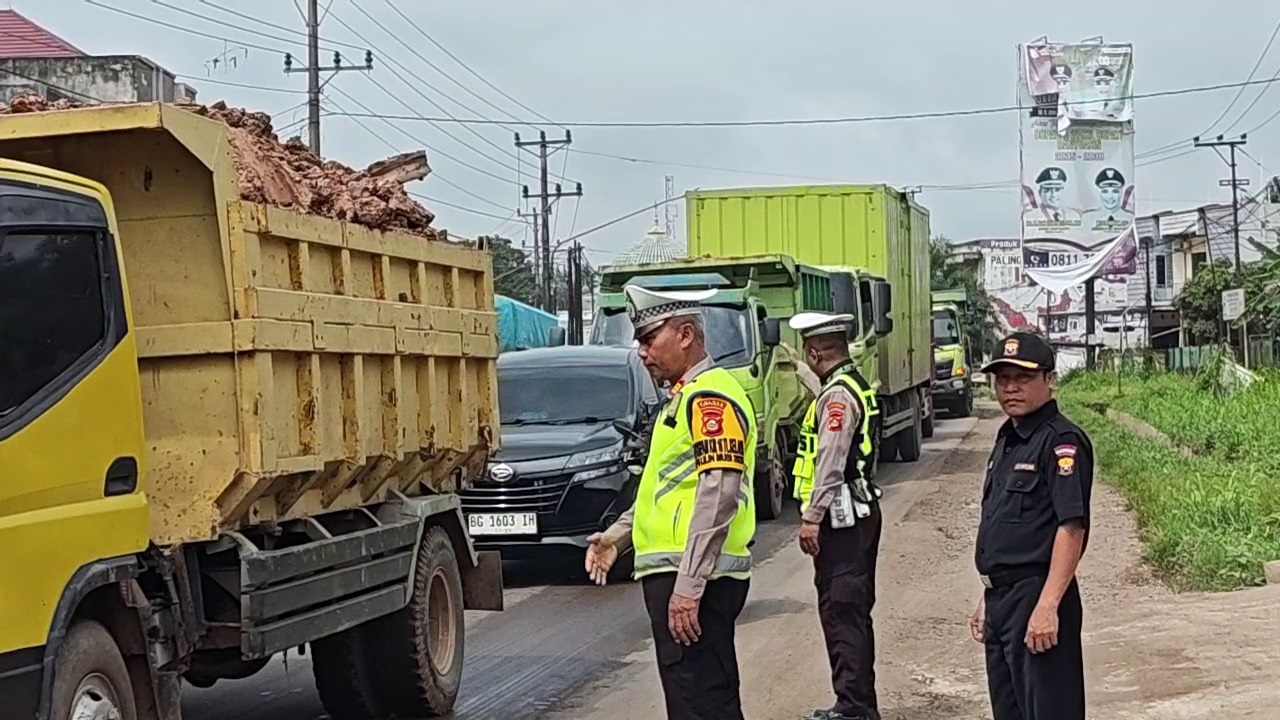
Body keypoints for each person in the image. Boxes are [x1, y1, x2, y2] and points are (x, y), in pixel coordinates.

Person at [584, 285, 758, 720]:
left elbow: (718, 495)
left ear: (684, 334)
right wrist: (616, 539)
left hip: (697, 574)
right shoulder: (681, 400)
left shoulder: (710, 398)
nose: (641, 352)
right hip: (684, 570)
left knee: (701, 702)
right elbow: (662, 490)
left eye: (648, 339)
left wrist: (689, 586)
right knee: (692, 698)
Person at [969, 332, 1094, 720]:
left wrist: (1047, 605)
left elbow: (1071, 527)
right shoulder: (1009, 439)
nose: (1010, 388)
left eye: (1022, 378)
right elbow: (1005, 526)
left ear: (1049, 380)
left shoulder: (1060, 442)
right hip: (1002, 602)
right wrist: (987, 595)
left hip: (1036, 597)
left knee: (1049, 712)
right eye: (1002, 379)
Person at [788, 312, 884, 720]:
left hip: (841, 520)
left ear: (814, 352)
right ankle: (857, 703)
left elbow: (830, 460)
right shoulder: (847, 386)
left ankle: (854, 708)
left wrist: (812, 516)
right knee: (851, 610)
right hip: (856, 514)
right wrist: (801, 372)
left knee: (842, 612)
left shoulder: (838, 398)